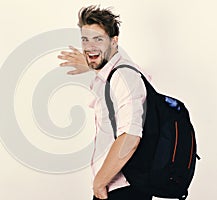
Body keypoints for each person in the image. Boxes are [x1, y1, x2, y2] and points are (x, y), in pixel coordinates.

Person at [58, 5, 152, 200]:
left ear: (114, 41)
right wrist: (93, 64)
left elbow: (131, 137)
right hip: (116, 187)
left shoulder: (124, 77)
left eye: (98, 39)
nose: (89, 46)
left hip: (123, 189)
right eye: (85, 39)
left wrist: (99, 184)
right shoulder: (119, 73)